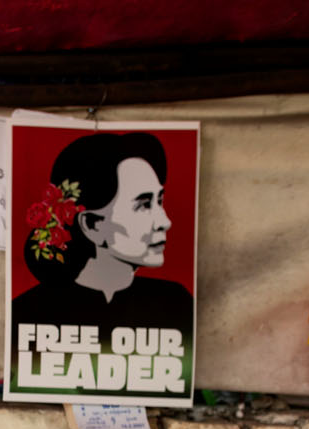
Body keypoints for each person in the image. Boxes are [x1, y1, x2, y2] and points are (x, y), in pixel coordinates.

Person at [10, 131, 192, 339]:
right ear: (93, 225)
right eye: (143, 205)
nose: (164, 222)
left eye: (159, 201)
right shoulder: (27, 313)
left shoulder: (177, 304)